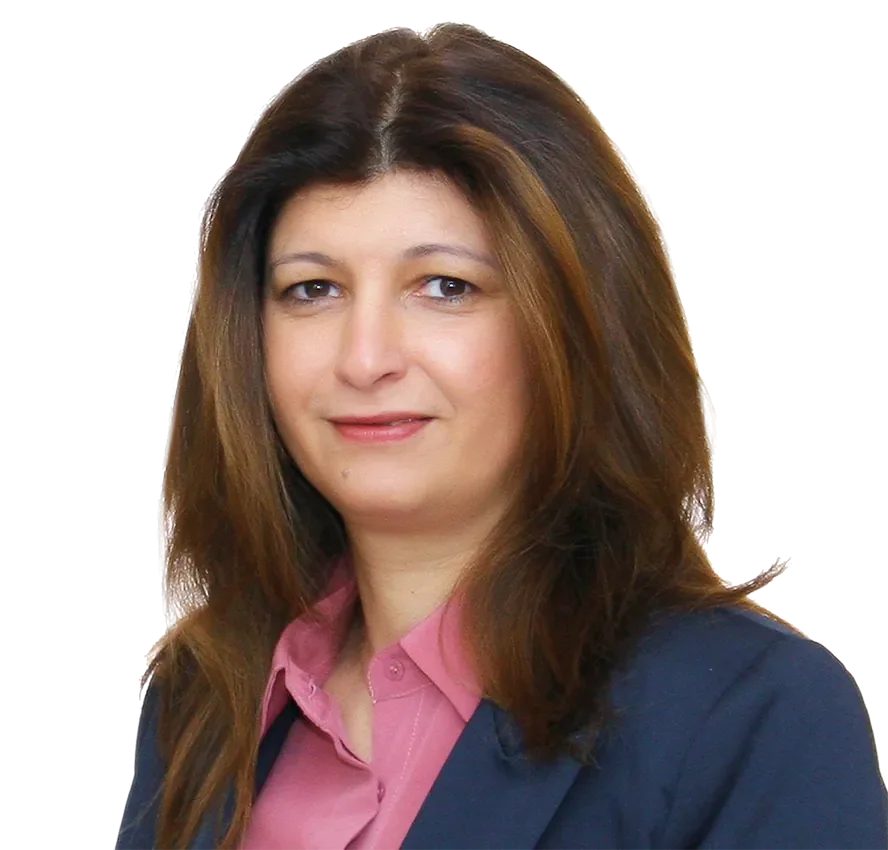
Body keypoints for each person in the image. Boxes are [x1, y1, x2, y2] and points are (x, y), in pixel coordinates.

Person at [114, 22, 888, 850]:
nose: (365, 358)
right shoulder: (203, 697)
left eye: (445, 286)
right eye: (313, 290)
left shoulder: (749, 715)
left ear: (577, 325)